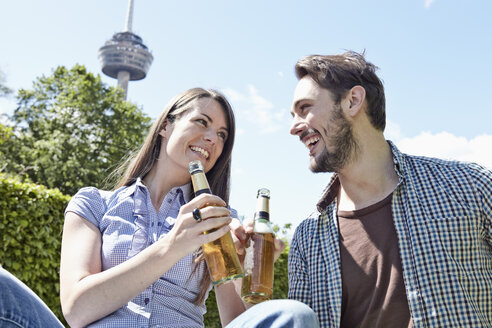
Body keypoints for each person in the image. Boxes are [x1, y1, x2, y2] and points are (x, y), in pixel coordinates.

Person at [1, 87, 320, 328]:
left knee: (293, 316)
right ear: (166, 125)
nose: (212, 139)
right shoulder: (94, 203)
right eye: (202, 122)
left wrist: (249, 269)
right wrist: (172, 245)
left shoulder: (218, 221)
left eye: (221, 135)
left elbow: (236, 321)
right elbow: (76, 309)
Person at [287, 51, 492, 328]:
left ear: (353, 101)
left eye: (305, 108)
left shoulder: (470, 186)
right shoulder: (306, 239)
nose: (293, 127)